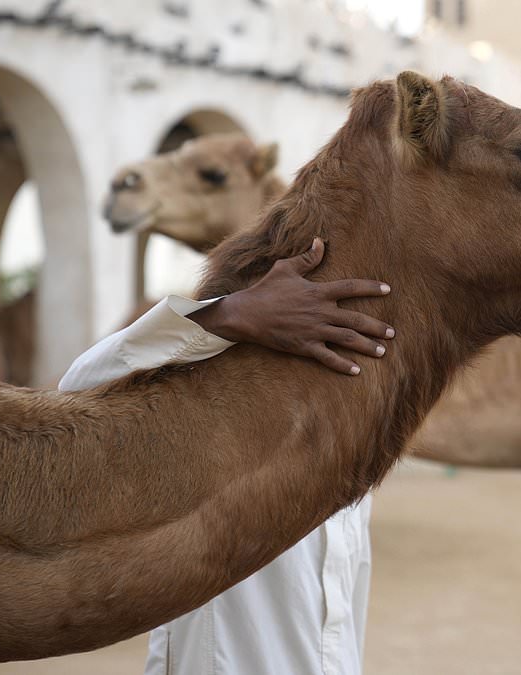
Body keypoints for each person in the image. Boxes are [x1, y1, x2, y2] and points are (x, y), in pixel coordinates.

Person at [59, 239, 388, 675]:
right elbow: (78, 391)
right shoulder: (199, 421)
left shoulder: (349, 454)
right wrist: (229, 314)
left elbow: (342, 626)